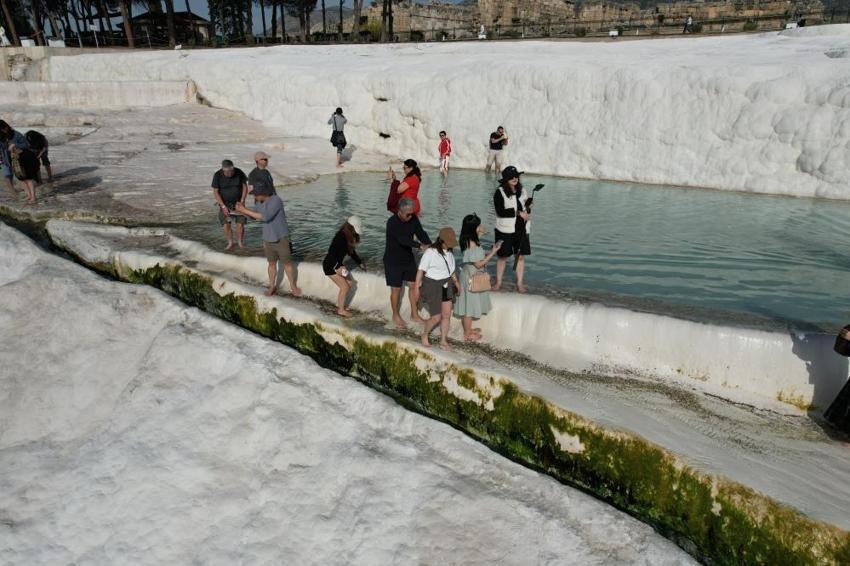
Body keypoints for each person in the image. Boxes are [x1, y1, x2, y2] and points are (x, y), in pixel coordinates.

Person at [235, 184, 302, 297]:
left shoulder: (276, 200)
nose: (254, 197)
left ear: (263, 193)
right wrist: (242, 211)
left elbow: (265, 217)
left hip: (281, 238)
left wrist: (244, 209)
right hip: (267, 239)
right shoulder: (258, 202)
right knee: (271, 264)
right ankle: (272, 286)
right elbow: (256, 217)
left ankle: (293, 286)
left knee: (287, 264)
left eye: (256, 194)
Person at [384, 196, 432, 329]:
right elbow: (402, 239)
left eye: (412, 213)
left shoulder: (413, 218)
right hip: (392, 261)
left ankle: (414, 314)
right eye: (408, 214)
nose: (411, 216)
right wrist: (420, 246)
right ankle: (395, 315)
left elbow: (421, 232)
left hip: (407, 259)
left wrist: (430, 245)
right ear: (399, 211)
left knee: (413, 285)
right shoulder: (392, 222)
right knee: (396, 290)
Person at [454, 214, 501, 341]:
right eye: (478, 225)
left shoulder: (467, 239)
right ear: (473, 227)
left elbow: (474, 254)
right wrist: (493, 252)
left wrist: (480, 234)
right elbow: (479, 263)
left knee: (470, 302)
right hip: (471, 277)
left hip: (469, 274)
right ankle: (467, 334)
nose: (481, 226)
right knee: (468, 305)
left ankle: (468, 329)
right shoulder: (471, 243)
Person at [413, 227, 461, 350]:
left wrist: (457, 284)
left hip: (446, 284)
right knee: (436, 317)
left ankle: (443, 340)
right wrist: (416, 288)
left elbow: (452, 272)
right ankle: (424, 334)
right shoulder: (430, 252)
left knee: (446, 315)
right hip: (432, 285)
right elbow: (420, 271)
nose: (450, 245)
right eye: (448, 242)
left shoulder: (450, 253)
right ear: (441, 240)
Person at [493, 166, 530, 293]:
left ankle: (520, 283)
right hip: (504, 229)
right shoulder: (500, 192)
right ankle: (498, 282)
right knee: (502, 256)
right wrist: (519, 213)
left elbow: (526, 207)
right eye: (511, 177)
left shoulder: (523, 190)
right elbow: (500, 211)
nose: (515, 179)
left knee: (519, 257)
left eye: (516, 176)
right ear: (505, 179)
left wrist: (529, 208)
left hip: (521, 229)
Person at [323, 216, 365, 318]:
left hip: (337, 264)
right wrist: (338, 267)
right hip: (331, 266)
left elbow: (351, 252)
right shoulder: (340, 237)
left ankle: (339, 304)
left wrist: (359, 262)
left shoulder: (347, 236)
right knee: (344, 287)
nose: (356, 233)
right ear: (351, 228)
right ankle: (341, 310)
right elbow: (331, 253)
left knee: (350, 283)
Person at [211, 159, 248, 250]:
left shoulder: (239, 172)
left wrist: (242, 200)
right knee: (226, 224)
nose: (230, 173)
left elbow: (245, 186)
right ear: (223, 170)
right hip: (225, 204)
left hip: (238, 203)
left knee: (240, 224)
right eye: (227, 172)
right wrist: (223, 206)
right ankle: (230, 243)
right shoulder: (217, 175)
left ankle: (240, 243)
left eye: (231, 171)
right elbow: (216, 192)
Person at [0, 120, 28, 195]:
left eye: (4, 128)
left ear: (7, 126)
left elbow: (26, 145)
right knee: (7, 174)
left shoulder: (16, 134)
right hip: (3, 158)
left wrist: (15, 145)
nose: (4, 130)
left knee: (18, 174)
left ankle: (26, 191)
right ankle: (13, 193)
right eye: (1, 129)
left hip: (16, 158)